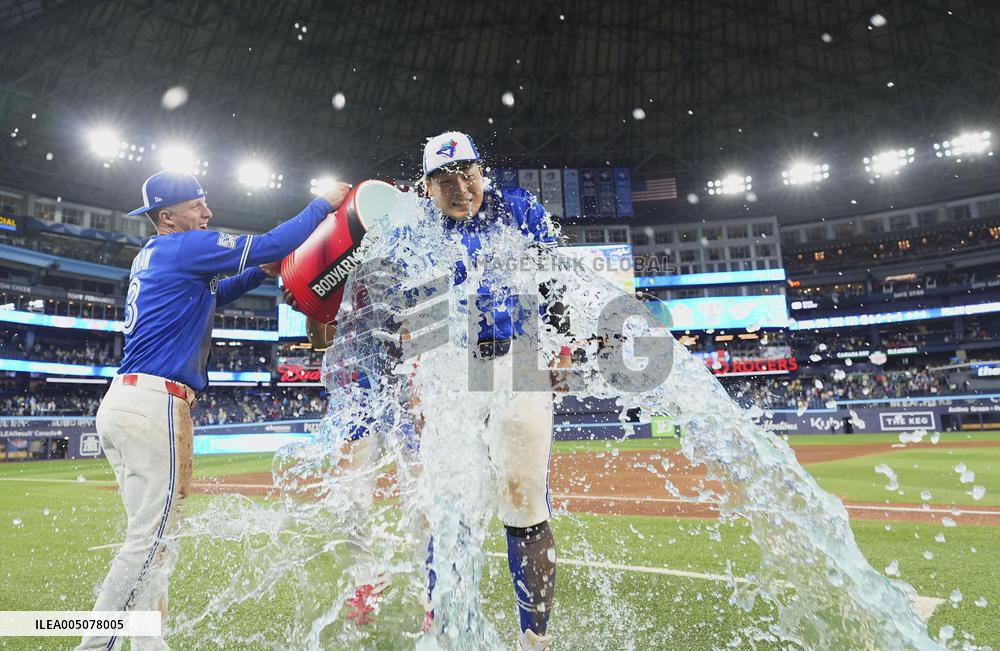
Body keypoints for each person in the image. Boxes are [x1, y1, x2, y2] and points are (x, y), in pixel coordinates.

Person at [302, 131, 570, 650]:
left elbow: (554, 282)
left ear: (481, 171)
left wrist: (560, 343)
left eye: (467, 174)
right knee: (449, 502)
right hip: (450, 362)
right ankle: (447, 630)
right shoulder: (414, 230)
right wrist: (419, 377)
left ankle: (535, 641)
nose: (461, 189)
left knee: (523, 496)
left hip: (517, 356)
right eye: (446, 181)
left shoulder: (518, 206)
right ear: (427, 187)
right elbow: (418, 315)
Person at [76, 171, 351, 651]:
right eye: (198, 206)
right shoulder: (182, 247)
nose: (208, 214)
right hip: (155, 404)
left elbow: (213, 294)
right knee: (151, 538)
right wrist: (320, 205)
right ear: (169, 217)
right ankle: (95, 645)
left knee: (154, 537)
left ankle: (146, 642)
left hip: (126, 402)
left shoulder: (157, 256)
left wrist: (254, 274)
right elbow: (269, 242)